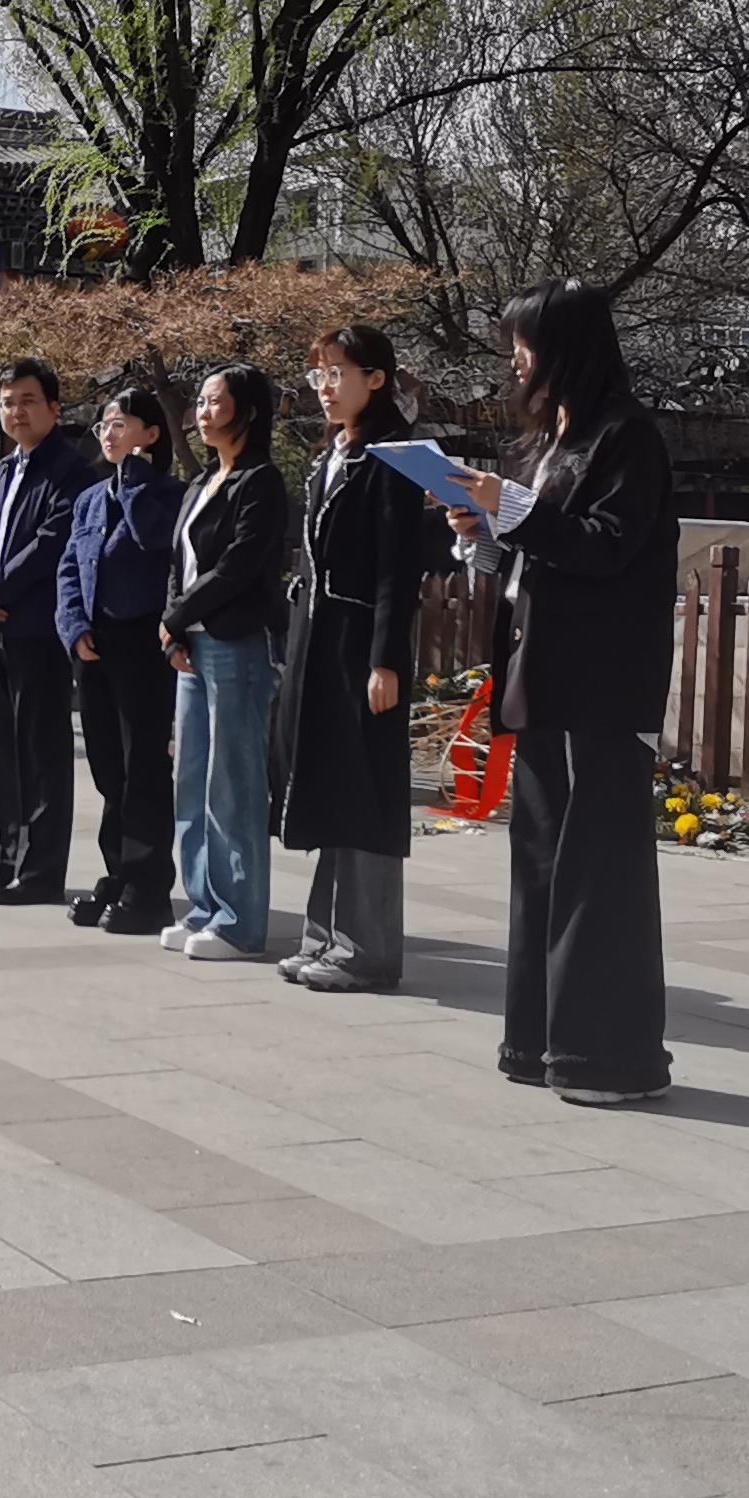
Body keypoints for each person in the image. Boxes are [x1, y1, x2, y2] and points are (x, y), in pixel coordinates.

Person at [440, 280, 680, 1106]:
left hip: (601, 685)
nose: (515, 359)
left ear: (566, 347)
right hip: (538, 676)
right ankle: (541, 1043)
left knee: (598, 868)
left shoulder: (628, 436)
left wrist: (507, 508)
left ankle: (608, 1057)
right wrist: (481, 539)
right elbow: (537, 559)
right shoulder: (546, 441)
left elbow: (607, 548)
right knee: (539, 861)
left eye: (526, 343)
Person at [276, 323, 431, 995]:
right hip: (320, 636)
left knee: (366, 789)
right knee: (331, 782)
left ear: (377, 378)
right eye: (319, 375)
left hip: (362, 638)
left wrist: (387, 660)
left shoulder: (398, 455)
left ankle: (366, 949)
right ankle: (326, 936)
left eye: (339, 373)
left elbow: (400, 568)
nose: (326, 388)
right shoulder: (331, 456)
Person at [161, 366, 293, 960]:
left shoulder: (262, 482)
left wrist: (179, 613)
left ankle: (240, 922)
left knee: (232, 784)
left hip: (237, 643)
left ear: (249, 412)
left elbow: (238, 566)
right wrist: (173, 624)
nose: (205, 410)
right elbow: (179, 564)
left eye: (217, 401)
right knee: (190, 777)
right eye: (202, 400)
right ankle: (203, 906)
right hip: (193, 642)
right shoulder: (199, 483)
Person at [0, 356, 102, 907]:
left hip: (38, 628)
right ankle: (7, 861)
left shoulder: (71, 469)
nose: (15, 411)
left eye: (26, 400)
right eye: (6, 402)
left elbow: (53, 541)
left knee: (41, 749)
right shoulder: (2, 470)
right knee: (5, 747)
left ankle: (42, 871)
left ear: (53, 408)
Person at [55, 384, 180, 935]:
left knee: (143, 767)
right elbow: (68, 568)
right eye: (104, 425)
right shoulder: (88, 498)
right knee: (109, 769)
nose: (108, 433)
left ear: (151, 435)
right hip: (95, 644)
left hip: (143, 643)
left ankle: (148, 887)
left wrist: (133, 485)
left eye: (121, 423)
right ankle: (117, 874)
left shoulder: (168, 495)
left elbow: (155, 540)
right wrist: (73, 627)